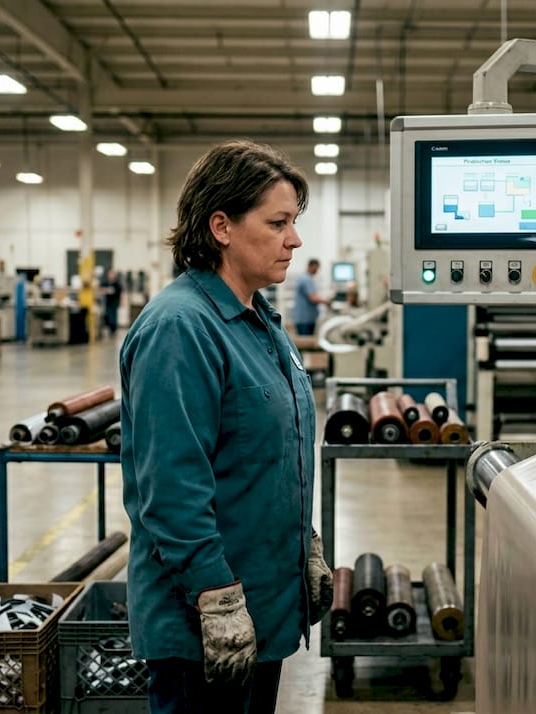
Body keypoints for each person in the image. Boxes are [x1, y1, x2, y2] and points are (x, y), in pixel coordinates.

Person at [119, 140, 333, 714]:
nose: (294, 239)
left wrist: (305, 544)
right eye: (278, 223)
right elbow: (171, 490)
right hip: (205, 629)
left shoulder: (259, 320)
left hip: (262, 608)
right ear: (222, 227)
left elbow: (269, 455)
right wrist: (216, 597)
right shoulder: (180, 328)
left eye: (293, 222)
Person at [291, 258, 329, 336]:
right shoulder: (306, 279)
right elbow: (312, 298)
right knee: (305, 340)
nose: (317, 271)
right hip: (305, 319)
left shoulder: (305, 278)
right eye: (316, 268)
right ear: (311, 266)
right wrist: (327, 302)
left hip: (306, 318)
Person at [101, 268, 124, 336]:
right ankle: (109, 327)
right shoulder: (105, 283)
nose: (110, 275)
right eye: (109, 274)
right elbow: (101, 289)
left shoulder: (117, 284)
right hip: (108, 302)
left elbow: (120, 293)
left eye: (112, 274)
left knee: (113, 316)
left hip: (114, 302)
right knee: (108, 315)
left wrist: (122, 301)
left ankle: (113, 329)